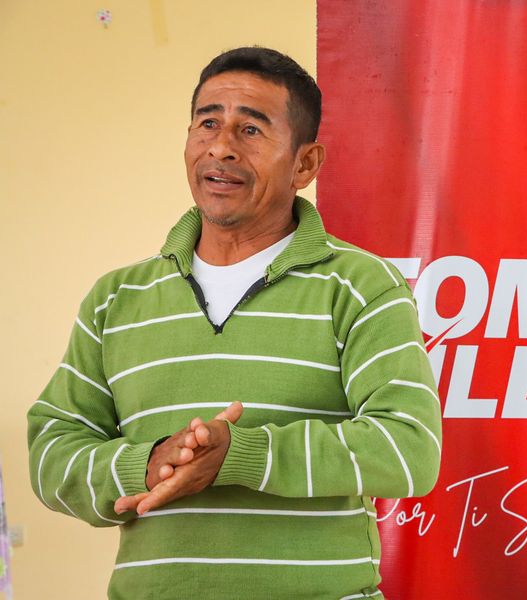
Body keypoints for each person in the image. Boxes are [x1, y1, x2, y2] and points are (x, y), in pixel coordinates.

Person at [26, 46, 441, 599]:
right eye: (207, 123)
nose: (220, 147)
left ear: (305, 165)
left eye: (250, 129)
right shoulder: (117, 298)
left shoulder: (362, 285)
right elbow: (52, 452)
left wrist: (241, 456)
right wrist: (147, 464)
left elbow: (409, 451)